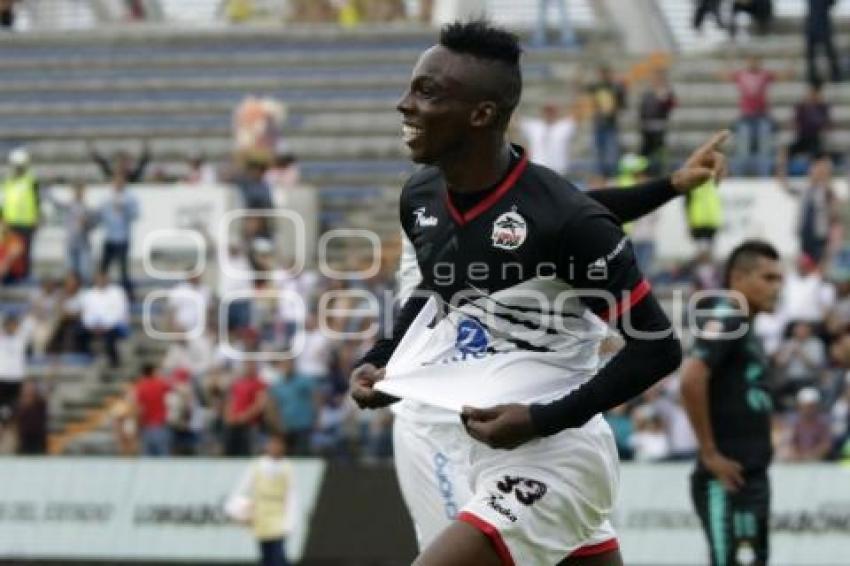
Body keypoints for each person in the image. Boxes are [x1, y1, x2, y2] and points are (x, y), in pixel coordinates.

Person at [349, 21, 726, 565]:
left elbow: (659, 349)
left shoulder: (565, 219)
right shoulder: (423, 195)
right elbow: (438, 289)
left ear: (482, 114)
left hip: (555, 454)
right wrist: (384, 360)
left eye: (427, 92)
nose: (403, 105)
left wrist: (541, 418)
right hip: (478, 443)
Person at [680, 240, 783, 566]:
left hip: (749, 473)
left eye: (779, 278)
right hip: (727, 477)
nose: (777, 287)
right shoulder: (729, 317)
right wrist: (710, 453)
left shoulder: (745, 325)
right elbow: (691, 378)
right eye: (768, 278)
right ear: (738, 278)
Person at [225, 432, 299, 566]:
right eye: (272, 443)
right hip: (260, 516)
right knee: (267, 556)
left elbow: (291, 496)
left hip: (278, 516)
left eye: (278, 444)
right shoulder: (257, 466)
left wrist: (290, 522)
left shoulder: (287, 467)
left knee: (278, 556)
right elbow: (242, 489)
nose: (275, 447)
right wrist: (237, 509)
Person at [98, 172, 139, 301]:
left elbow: (136, 215)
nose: (118, 184)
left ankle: (128, 294)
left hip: (122, 238)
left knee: (123, 270)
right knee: (103, 267)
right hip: (109, 238)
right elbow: (101, 215)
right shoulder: (107, 197)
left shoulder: (130, 197)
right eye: (116, 181)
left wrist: (124, 209)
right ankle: (99, 292)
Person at [48, 181, 97, 284]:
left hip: (84, 245)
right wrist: (47, 190)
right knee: (71, 273)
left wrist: (86, 223)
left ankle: (84, 294)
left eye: (80, 190)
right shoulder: (68, 206)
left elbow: (94, 225)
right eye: (76, 190)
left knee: (85, 273)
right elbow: (55, 203)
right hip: (70, 244)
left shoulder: (87, 208)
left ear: (84, 192)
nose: (78, 193)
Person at [2, 148, 40, 278]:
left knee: (24, 251)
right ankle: (11, 274)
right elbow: (3, 201)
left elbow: (37, 200)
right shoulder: (7, 181)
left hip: (26, 222)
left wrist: (36, 217)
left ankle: (23, 276)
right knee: (10, 250)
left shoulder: (30, 180)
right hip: (10, 222)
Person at [587, 65, 627, 178]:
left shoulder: (616, 88)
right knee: (599, 153)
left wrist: (613, 110)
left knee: (612, 153)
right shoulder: (596, 87)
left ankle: (612, 175)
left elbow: (622, 105)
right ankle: (601, 176)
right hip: (599, 124)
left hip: (611, 124)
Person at [518, 103, 576, 176]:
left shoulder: (563, 126)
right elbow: (515, 120)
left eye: (552, 112)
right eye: (547, 112)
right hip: (538, 168)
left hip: (558, 169)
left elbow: (578, 114)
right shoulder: (534, 126)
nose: (549, 115)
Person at [638, 69, 677, 175]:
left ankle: (659, 171)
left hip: (659, 126)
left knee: (659, 151)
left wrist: (664, 98)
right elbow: (642, 109)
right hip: (647, 126)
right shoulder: (648, 93)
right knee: (645, 151)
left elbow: (671, 106)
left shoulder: (666, 93)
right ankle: (644, 172)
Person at [131, 363, 172, 456]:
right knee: (163, 455)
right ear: (153, 372)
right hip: (159, 424)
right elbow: (173, 388)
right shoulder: (160, 384)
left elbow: (138, 408)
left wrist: (137, 425)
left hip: (146, 425)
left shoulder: (140, 387)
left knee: (147, 458)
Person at [805, 0, 841, 85]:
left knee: (828, 50)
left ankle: (835, 74)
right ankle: (813, 76)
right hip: (816, 22)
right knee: (813, 53)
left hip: (820, 22)